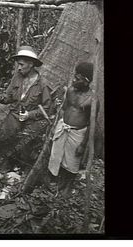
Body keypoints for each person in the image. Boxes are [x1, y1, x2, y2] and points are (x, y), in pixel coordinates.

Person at [0, 46, 52, 152]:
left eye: (22, 65)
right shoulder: (17, 77)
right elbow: (8, 98)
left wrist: (29, 115)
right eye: (18, 65)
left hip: (30, 122)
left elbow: (47, 109)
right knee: (4, 143)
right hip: (13, 118)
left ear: (31, 64)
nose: (19, 68)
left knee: (23, 149)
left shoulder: (43, 84)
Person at [48, 62, 99, 194]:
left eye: (78, 78)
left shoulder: (92, 100)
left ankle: (66, 187)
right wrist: (55, 126)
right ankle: (53, 183)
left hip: (77, 133)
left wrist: (83, 144)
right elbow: (63, 110)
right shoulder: (70, 90)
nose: (75, 80)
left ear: (86, 81)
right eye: (75, 77)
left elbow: (91, 124)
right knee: (55, 156)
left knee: (71, 162)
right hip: (63, 128)